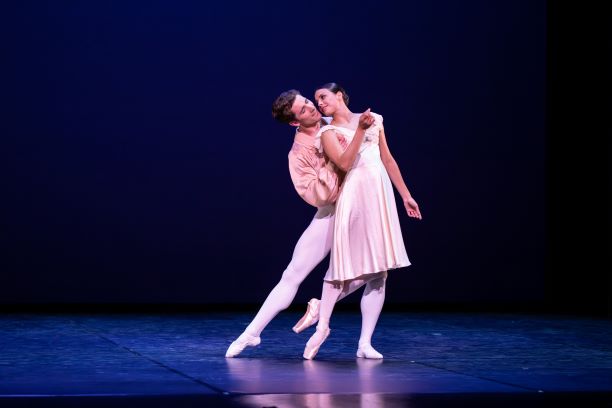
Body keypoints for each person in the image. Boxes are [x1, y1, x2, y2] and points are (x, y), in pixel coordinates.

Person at [225, 89, 375, 357]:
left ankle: (358, 337)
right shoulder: (298, 155)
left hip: (361, 206)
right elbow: (317, 195)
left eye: (308, 102)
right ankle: (251, 333)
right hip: (332, 211)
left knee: (377, 270)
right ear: (295, 122)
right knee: (293, 274)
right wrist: (334, 159)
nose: (311, 108)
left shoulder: (333, 122)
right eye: (304, 110)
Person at [302, 83, 422, 360]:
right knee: (343, 265)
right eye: (317, 100)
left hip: (379, 193)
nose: (319, 103)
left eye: (323, 97)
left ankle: (364, 342)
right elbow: (344, 163)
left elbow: (388, 159)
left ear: (340, 95)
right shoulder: (327, 131)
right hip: (354, 195)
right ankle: (322, 327)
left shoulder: (374, 118)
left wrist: (406, 195)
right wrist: (359, 130)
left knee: (380, 272)